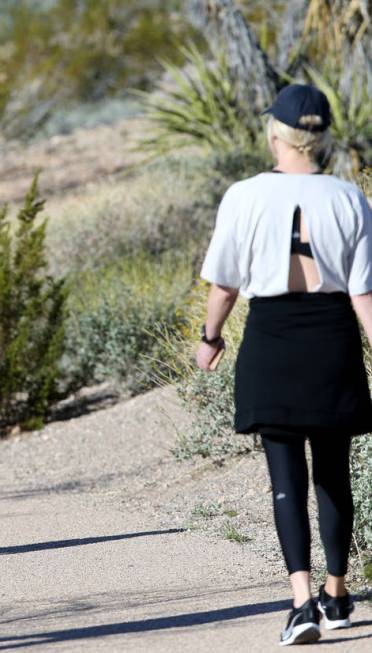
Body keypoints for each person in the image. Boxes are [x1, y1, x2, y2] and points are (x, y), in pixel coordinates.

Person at [197, 84, 372, 646]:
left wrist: (211, 337)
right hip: (333, 340)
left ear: (275, 133)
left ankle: (301, 604)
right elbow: (364, 296)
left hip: (271, 337)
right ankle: (337, 592)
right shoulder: (349, 198)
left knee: (285, 476)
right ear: (321, 139)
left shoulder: (243, 196)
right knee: (334, 471)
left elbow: (224, 285)